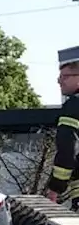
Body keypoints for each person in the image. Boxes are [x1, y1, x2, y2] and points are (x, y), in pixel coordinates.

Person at [44, 46, 79, 205]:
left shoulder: (74, 106)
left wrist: (55, 187)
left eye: (65, 76)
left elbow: (67, 148)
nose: (59, 81)